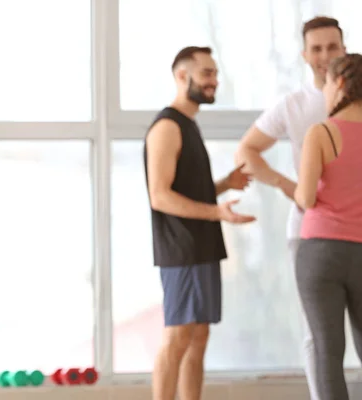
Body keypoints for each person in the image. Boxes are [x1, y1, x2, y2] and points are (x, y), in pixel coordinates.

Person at [234, 16, 346, 400]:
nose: (324, 56)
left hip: (355, 230)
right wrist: (287, 184)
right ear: (304, 55)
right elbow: (246, 150)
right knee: (317, 335)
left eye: (332, 47)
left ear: (344, 50)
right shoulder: (294, 105)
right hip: (308, 230)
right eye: (316, 49)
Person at [144, 46, 255, 400]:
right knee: (177, 338)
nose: (214, 81)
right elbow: (159, 196)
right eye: (206, 73)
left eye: (214, 73)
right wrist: (218, 212)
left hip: (203, 247)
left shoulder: (188, 124)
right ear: (182, 76)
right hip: (182, 250)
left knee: (198, 338)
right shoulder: (166, 127)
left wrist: (224, 184)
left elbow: (188, 187)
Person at [294, 53, 362, 400]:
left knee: (327, 351)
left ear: (338, 84)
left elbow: (305, 197)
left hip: (322, 252)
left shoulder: (321, 132)